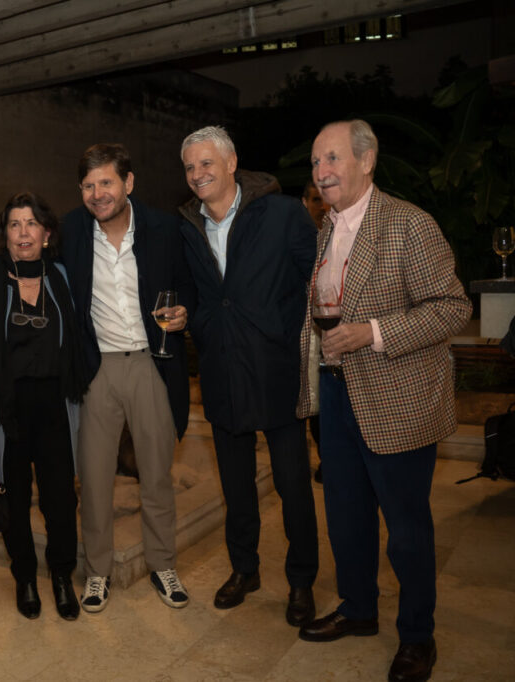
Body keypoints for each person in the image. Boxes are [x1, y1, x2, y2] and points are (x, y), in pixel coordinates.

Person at [0, 143, 196, 614]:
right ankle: (96, 573)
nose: (97, 193)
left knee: (155, 472)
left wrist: (187, 310)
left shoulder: (165, 229)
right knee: (91, 478)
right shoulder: (72, 232)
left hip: (151, 360)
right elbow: (3, 283)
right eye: (88, 186)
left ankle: (162, 564)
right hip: (96, 370)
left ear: (128, 184)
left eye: (106, 182)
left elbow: (191, 281)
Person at [297, 120, 471, 682]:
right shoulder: (325, 229)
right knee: (345, 518)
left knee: (406, 530)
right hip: (338, 395)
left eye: (333, 159)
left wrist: (373, 331)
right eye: (316, 162)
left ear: (366, 161)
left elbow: (452, 307)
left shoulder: (408, 224)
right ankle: (359, 609)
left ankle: (418, 636)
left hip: (397, 401)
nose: (322, 172)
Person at [177, 126, 319, 626]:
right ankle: (245, 569)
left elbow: (317, 274)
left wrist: (289, 327)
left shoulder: (281, 213)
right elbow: (191, 290)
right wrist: (191, 319)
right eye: (190, 167)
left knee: (293, 485)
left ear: (232, 162)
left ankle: (302, 581)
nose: (198, 174)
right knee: (235, 488)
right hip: (220, 370)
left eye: (206, 163)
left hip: (275, 368)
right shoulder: (187, 225)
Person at [0, 192, 90, 620]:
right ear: (6, 236)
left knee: (59, 500)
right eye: (14, 225)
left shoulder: (64, 279)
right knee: (12, 500)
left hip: (56, 404)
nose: (23, 232)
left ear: (47, 234)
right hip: (4, 409)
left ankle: (61, 575)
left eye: (31, 223)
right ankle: (26, 577)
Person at [302, 178, 328, 483]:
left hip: (337, 330)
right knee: (312, 402)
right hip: (306, 332)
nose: (322, 207)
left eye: (325, 200)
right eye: (315, 200)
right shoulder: (299, 237)